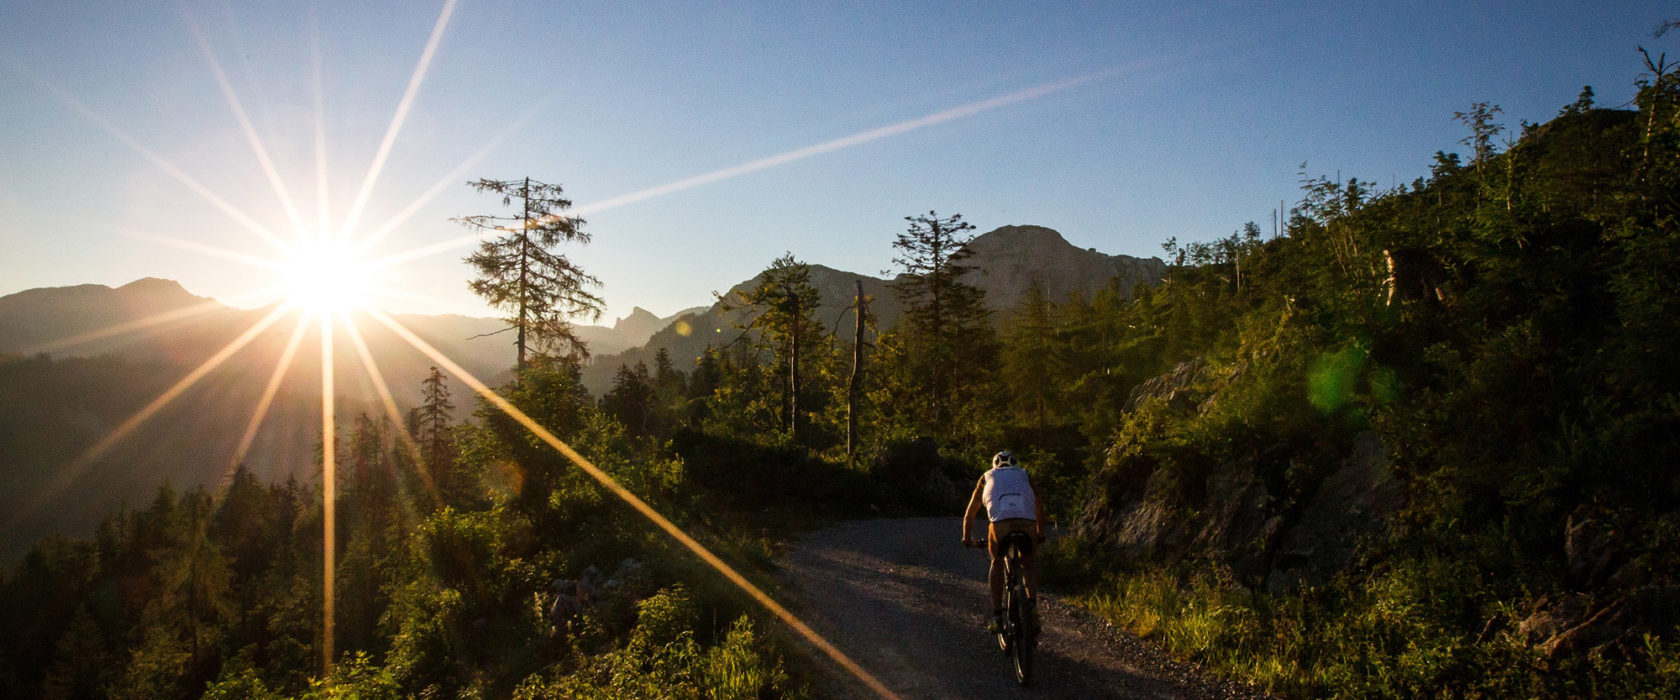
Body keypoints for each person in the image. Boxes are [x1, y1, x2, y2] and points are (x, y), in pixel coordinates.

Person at [961, 450, 1046, 634]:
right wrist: (1040, 532)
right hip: (1027, 523)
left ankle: (997, 616)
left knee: (997, 562)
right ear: (1015, 465)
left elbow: (970, 514)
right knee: (1029, 564)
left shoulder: (986, 477)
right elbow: (1038, 505)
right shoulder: (1024, 474)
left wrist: (968, 539)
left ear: (995, 466)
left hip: (1000, 525)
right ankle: (1031, 606)